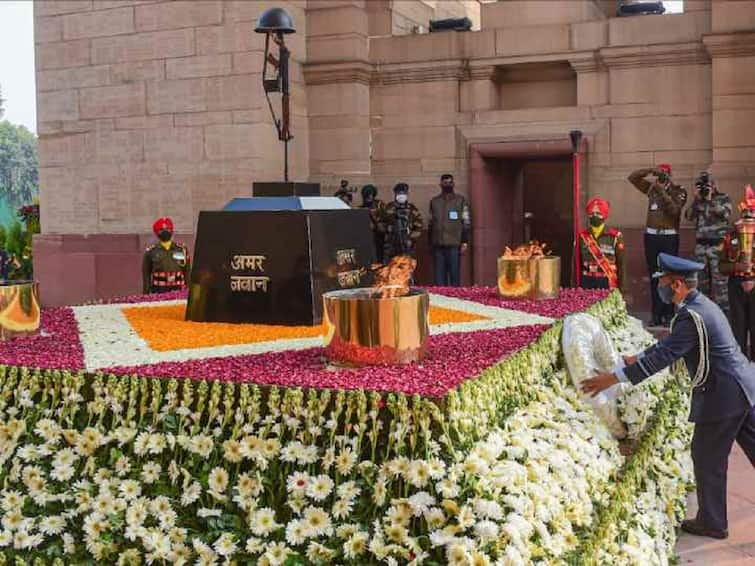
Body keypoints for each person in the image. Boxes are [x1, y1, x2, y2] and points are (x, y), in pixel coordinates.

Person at [582, 252, 755, 540]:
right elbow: (672, 346)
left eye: (662, 281)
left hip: (724, 395)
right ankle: (712, 518)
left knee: (707, 456)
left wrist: (610, 379)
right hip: (743, 387)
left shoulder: (691, 316)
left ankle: (712, 521)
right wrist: (635, 357)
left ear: (676, 285)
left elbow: (665, 356)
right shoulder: (700, 306)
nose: (659, 287)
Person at [628, 163, 688, 326]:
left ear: (670, 175)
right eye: (660, 174)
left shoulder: (678, 190)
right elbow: (632, 178)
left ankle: (668, 315)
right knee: (655, 276)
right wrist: (649, 170)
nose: (661, 177)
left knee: (668, 276)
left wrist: (662, 191)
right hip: (652, 237)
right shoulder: (652, 189)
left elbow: (675, 211)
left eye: (664, 174)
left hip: (668, 238)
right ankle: (656, 315)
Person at [685, 171, 732, 313]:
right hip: (701, 247)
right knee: (701, 284)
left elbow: (726, 215)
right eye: (702, 185)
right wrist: (696, 199)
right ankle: (703, 314)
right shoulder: (698, 201)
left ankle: (723, 316)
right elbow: (688, 216)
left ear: (714, 185)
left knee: (720, 286)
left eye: (708, 185)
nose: (706, 188)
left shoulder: (724, 198)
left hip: (717, 247)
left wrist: (711, 199)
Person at [721, 185, 755, 359]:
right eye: (746, 211)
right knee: (738, 330)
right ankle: (740, 370)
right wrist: (737, 267)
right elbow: (721, 266)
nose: (748, 214)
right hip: (736, 286)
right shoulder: (730, 236)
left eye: (752, 210)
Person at [429, 173, 471, 286]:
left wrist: (465, 241)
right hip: (438, 245)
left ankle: (455, 300)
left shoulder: (460, 201)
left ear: (453, 184)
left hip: (454, 244)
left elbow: (466, 222)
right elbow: (431, 223)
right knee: (439, 279)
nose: (447, 184)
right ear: (440, 184)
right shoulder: (434, 201)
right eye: (445, 182)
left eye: (450, 182)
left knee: (454, 278)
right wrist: (430, 243)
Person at [578, 197, 626, 291]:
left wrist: (622, 290)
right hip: (587, 283)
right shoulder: (582, 237)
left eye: (598, 213)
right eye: (592, 213)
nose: (594, 215)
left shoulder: (615, 237)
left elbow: (621, 265)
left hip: (607, 282)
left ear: (604, 215)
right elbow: (576, 264)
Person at [142, 217, 191, 294]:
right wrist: (146, 292)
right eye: (161, 230)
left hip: (178, 288)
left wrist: (188, 288)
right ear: (157, 233)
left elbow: (186, 270)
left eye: (168, 229)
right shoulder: (151, 251)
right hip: (159, 289)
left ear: (172, 231)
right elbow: (146, 274)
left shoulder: (180, 249)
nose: (165, 231)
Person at [377, 183, 423, 262]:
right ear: (395, 194)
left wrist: (410, 239)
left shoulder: (412, 209)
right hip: (391, 245)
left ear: (407, 194)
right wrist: (389, 228)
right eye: (399, 193)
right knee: (390, 270)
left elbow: (419, 227)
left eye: (403, 193)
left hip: (406, 246)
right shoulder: (388, 208)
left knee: (406, 270)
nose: (401, 195)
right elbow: (380, 224)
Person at [360, 184, 386, 263]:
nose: (369, 197)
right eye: (367, 195)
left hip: (379, 239)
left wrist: (376, 221)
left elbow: (385, 220)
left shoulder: (379, 205)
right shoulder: (360, 209)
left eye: (371, 194)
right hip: (365, 240)